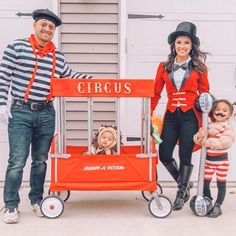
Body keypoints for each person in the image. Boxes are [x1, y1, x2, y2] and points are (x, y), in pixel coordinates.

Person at [0, 9, 91, 224]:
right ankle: (11, 205)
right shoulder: (16, 47)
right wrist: (2, 103)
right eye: (44, 25)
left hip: (47, 113)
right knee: (17, 161)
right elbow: (3, 76)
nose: (47, 29)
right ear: (34, 25)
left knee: (40, 161)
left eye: (51, 27)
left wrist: (89, 80)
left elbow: (70, 76)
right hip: (21, 111)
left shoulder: (57, 56)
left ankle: (36, 200)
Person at [151, 21, 210, 211]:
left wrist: (205, 124)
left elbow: (205, 95)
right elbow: (155, 93)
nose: (182, 46)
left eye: (186, 43)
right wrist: (147, 114)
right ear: (173, 45)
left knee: (185, 155)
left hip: (190, 117)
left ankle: (181, 192)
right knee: (165, 154)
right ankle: (184, 184)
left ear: (192, 46)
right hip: (171, 115)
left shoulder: (200, 68)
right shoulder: (163, 67)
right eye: (179, 42)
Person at [193, 99, 235, 217]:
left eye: (224, 110)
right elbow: (197, 140)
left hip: (221, 162)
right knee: (205, 182)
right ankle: (208, 200)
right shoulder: (208, 125)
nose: (220, 112)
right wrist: (199, 136)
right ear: (213, 111)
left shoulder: (227, 128)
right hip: (208, 161)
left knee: (221, 183)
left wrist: (208, 141)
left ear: (229, 114)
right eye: (217, 109)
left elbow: (225, 142)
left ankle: (218, 205)